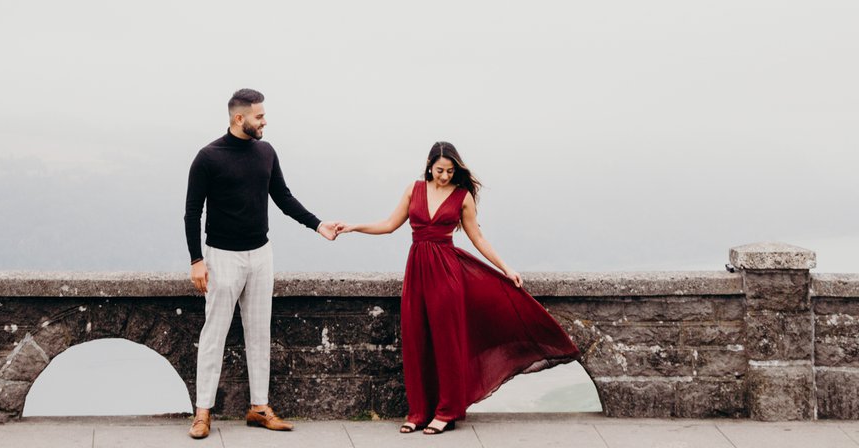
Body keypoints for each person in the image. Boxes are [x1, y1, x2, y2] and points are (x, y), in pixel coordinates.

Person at [336, 141, 578, 435]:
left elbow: (478, 238)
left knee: (446, 342)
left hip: (446, 275)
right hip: (416, 273)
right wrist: (353, 227)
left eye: (450, 171)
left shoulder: (463, 197)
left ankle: (446, 412)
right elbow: (388, 224)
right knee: (416, 340)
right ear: (429, 166)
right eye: (440, 170)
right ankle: (418, 412)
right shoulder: (414, 189)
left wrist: (506, 268)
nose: (444, 176)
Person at [183, 88, 340, 439]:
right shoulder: (208, 157)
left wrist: (318, 225)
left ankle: (259, 407)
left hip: (261, 254)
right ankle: (203, 412)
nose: (265, 121)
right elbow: (192, 212)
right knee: (214, 334)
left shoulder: (266, 152)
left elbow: (283, 197)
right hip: (222, 256)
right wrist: (196, 260)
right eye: (259, 116)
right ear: (239, 118)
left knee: (258, 333)